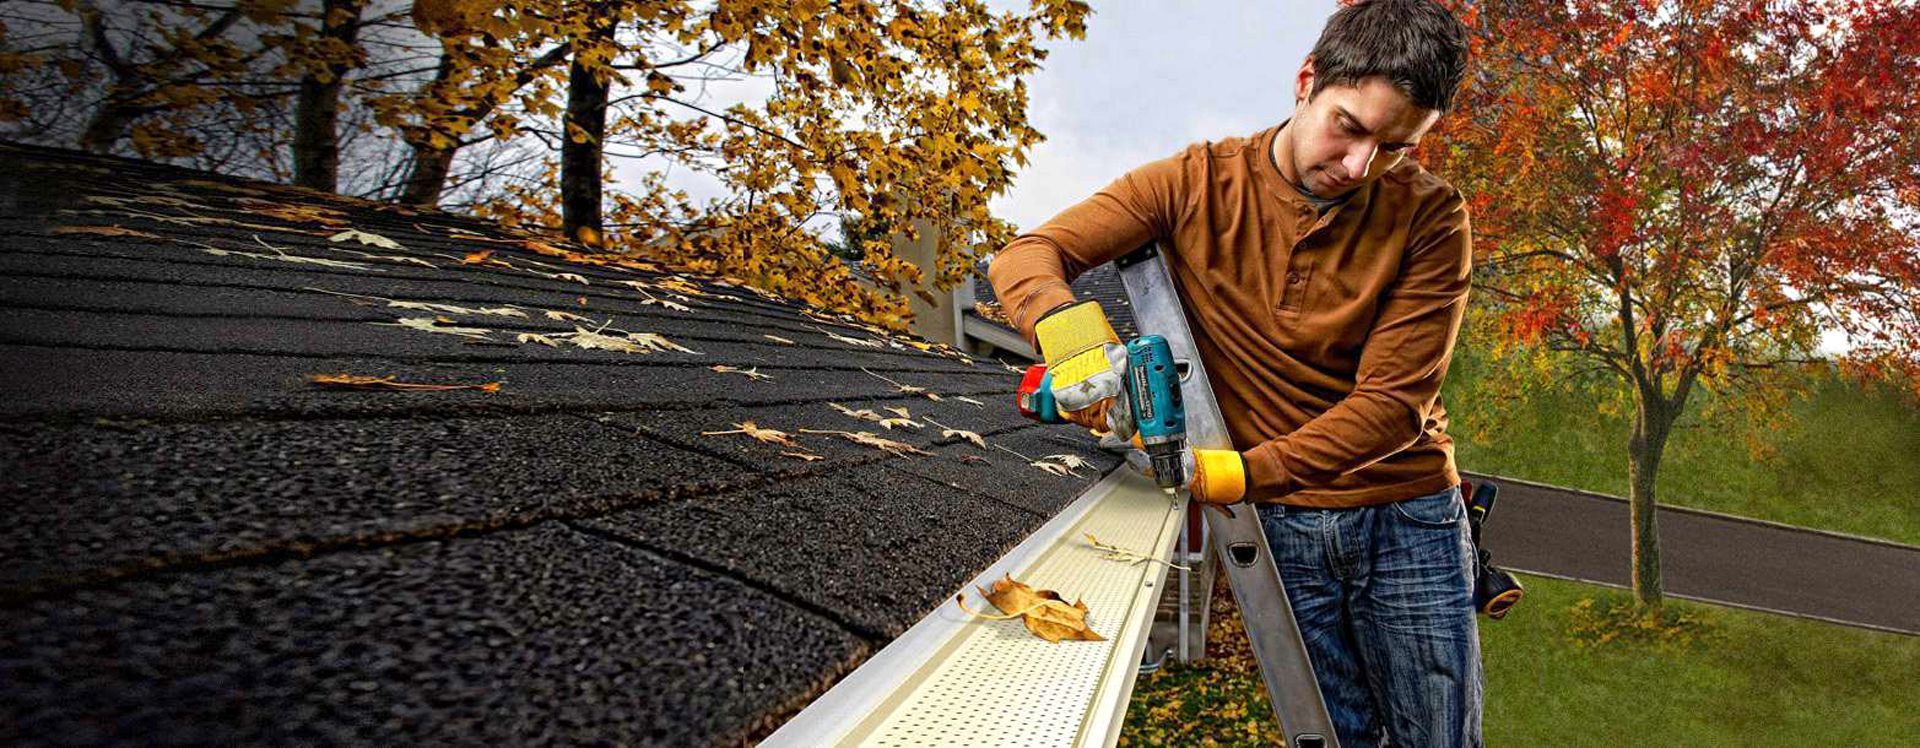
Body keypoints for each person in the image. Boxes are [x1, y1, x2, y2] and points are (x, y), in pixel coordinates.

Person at [985, 0, 1481, 744]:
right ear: (1306, 81)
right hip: (1283, 523)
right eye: (1348, 127)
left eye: (1395, 147)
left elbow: (1391, 407)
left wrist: (1232, 476)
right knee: (1337, 735)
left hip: (1403, 513)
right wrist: (1078, 345)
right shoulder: (1193, 184)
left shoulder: (1434, 219)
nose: (1359, 167)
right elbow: (1027, 255)